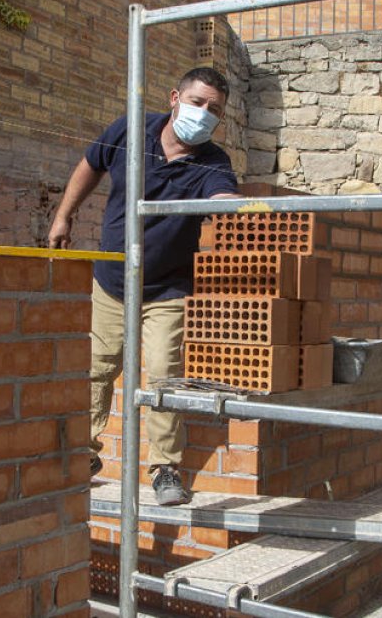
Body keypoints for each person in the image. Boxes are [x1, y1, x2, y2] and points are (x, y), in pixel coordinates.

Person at [48, 67, 239, 506]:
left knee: (163, 376)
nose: (204, 115)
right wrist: (64, 215)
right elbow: (89, 165)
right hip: (113, 278)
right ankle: (85, 453)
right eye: (197, 103)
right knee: (97, 366)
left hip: (167, 289)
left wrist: (235, 206)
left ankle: (165, 468)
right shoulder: (130, 129)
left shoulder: (213, 161)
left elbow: (221, 196)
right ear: (175, 97)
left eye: (215, 110)